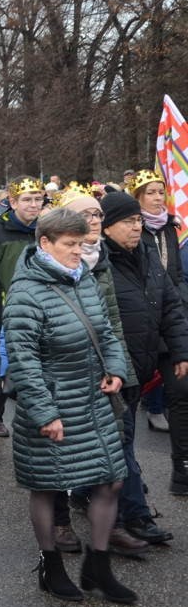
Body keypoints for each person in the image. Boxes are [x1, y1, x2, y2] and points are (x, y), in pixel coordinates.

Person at [3, 207, 134, 605]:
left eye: (82, 243)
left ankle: (97, 566)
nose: (79, 251)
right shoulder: (25, 294)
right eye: (70, 244)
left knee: (111, 479)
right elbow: (23, 362)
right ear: (45, 244)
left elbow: (107, 331)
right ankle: (51, 566)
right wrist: (45, 413)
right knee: (48, 486)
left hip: (93, 400)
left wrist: (115, 368)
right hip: (54, 404)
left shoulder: (84, 280)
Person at [98, 192, 188, 502]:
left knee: (127, 430)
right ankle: (128, 509)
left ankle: (172, 472)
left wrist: (180, 351)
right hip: (118, 363)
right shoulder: (98, 262)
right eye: (128, 221)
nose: (137, 227)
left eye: (138, 221)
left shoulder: (147, 254)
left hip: (149, 351)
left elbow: (170, 305)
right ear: (107, 227)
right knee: (121, 433)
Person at [0, 177, 45, 460]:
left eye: (38, 199)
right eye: (27, 199)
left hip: (37, 321)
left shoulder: (44, 232)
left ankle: (35, 448)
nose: (33, 205)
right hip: (3, 324)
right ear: (12, 202)